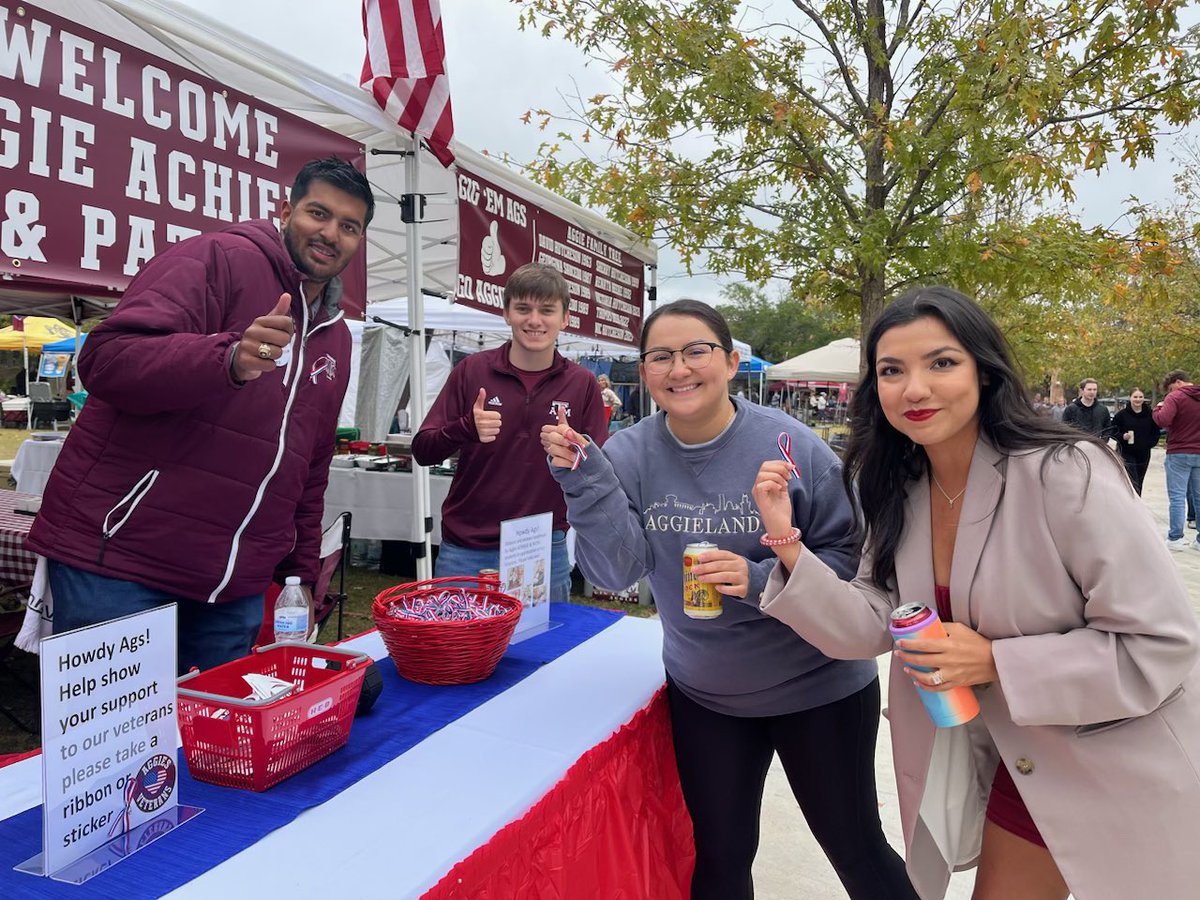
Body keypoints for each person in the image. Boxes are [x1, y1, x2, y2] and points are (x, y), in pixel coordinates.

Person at [748, 286, 1200, 900]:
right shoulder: (899, 489)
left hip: (1111, 753)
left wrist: (995, 661)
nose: (914, 389)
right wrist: (786, 542)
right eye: (891, 371)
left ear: (984, 373)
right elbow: (870, 624)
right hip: (1014, 763)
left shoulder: (1067, 470)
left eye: (941, 362)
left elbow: (1162, 642)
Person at [540, 299, 916, 900]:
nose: (680, 368)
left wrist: (763, 575)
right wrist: (581, 480)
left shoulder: (790, 446)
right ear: (644, 372)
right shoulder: (628, 456)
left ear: (732, 361)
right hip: (708, 696)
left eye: (697, 351)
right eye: (661, 356)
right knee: (719, 860)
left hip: (818, 688)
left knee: (857, 848)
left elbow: (853, 561)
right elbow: (616, 569)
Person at [27, 157, 374, 674]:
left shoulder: (337, 336)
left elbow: (309, 462)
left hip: (233, 585)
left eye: (349, 226)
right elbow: (106, 360)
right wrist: (227, 358)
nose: (330, 234)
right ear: (285, 210)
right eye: (318, 213)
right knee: (115, 747)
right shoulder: (219, 258)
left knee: (211, 743)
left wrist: (298, 577)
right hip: (122, 560)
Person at [413, 262, 607, 601]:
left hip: (543, 545)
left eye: (547, 310)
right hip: (466, 547)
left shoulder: (582, 384)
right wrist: (465, 429)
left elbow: (601, 472)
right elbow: (423, 450)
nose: (534, 320)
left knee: (544, 652)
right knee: (458, 651)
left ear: (564, 319)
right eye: (523, 309)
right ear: (506, 314)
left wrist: (575, 450)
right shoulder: (472, 371)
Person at [1152, 369, 1200, 551]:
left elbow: (1163, 420)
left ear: (1178, 382)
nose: (1171, 392)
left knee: (1177, 497)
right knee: (1199, 497)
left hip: (1179, 452)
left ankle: (1176, 538)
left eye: (1171, 388)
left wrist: (1158, 408)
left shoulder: (1175, 397)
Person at [1110, 388, 1161, 495]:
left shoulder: (1150, 415)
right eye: (1135, 397)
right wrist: (1122, 436)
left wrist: (1149, 444)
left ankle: (1137, 502)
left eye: (1140, 397)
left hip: (1143, 453)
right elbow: (1113, 431)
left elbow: (1156, 432)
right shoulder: (1122, 415)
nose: (1138, 399)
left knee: (1140, 479)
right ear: (1130, 398)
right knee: (1132, 479)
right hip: (1126, 452)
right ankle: (1131, 503)